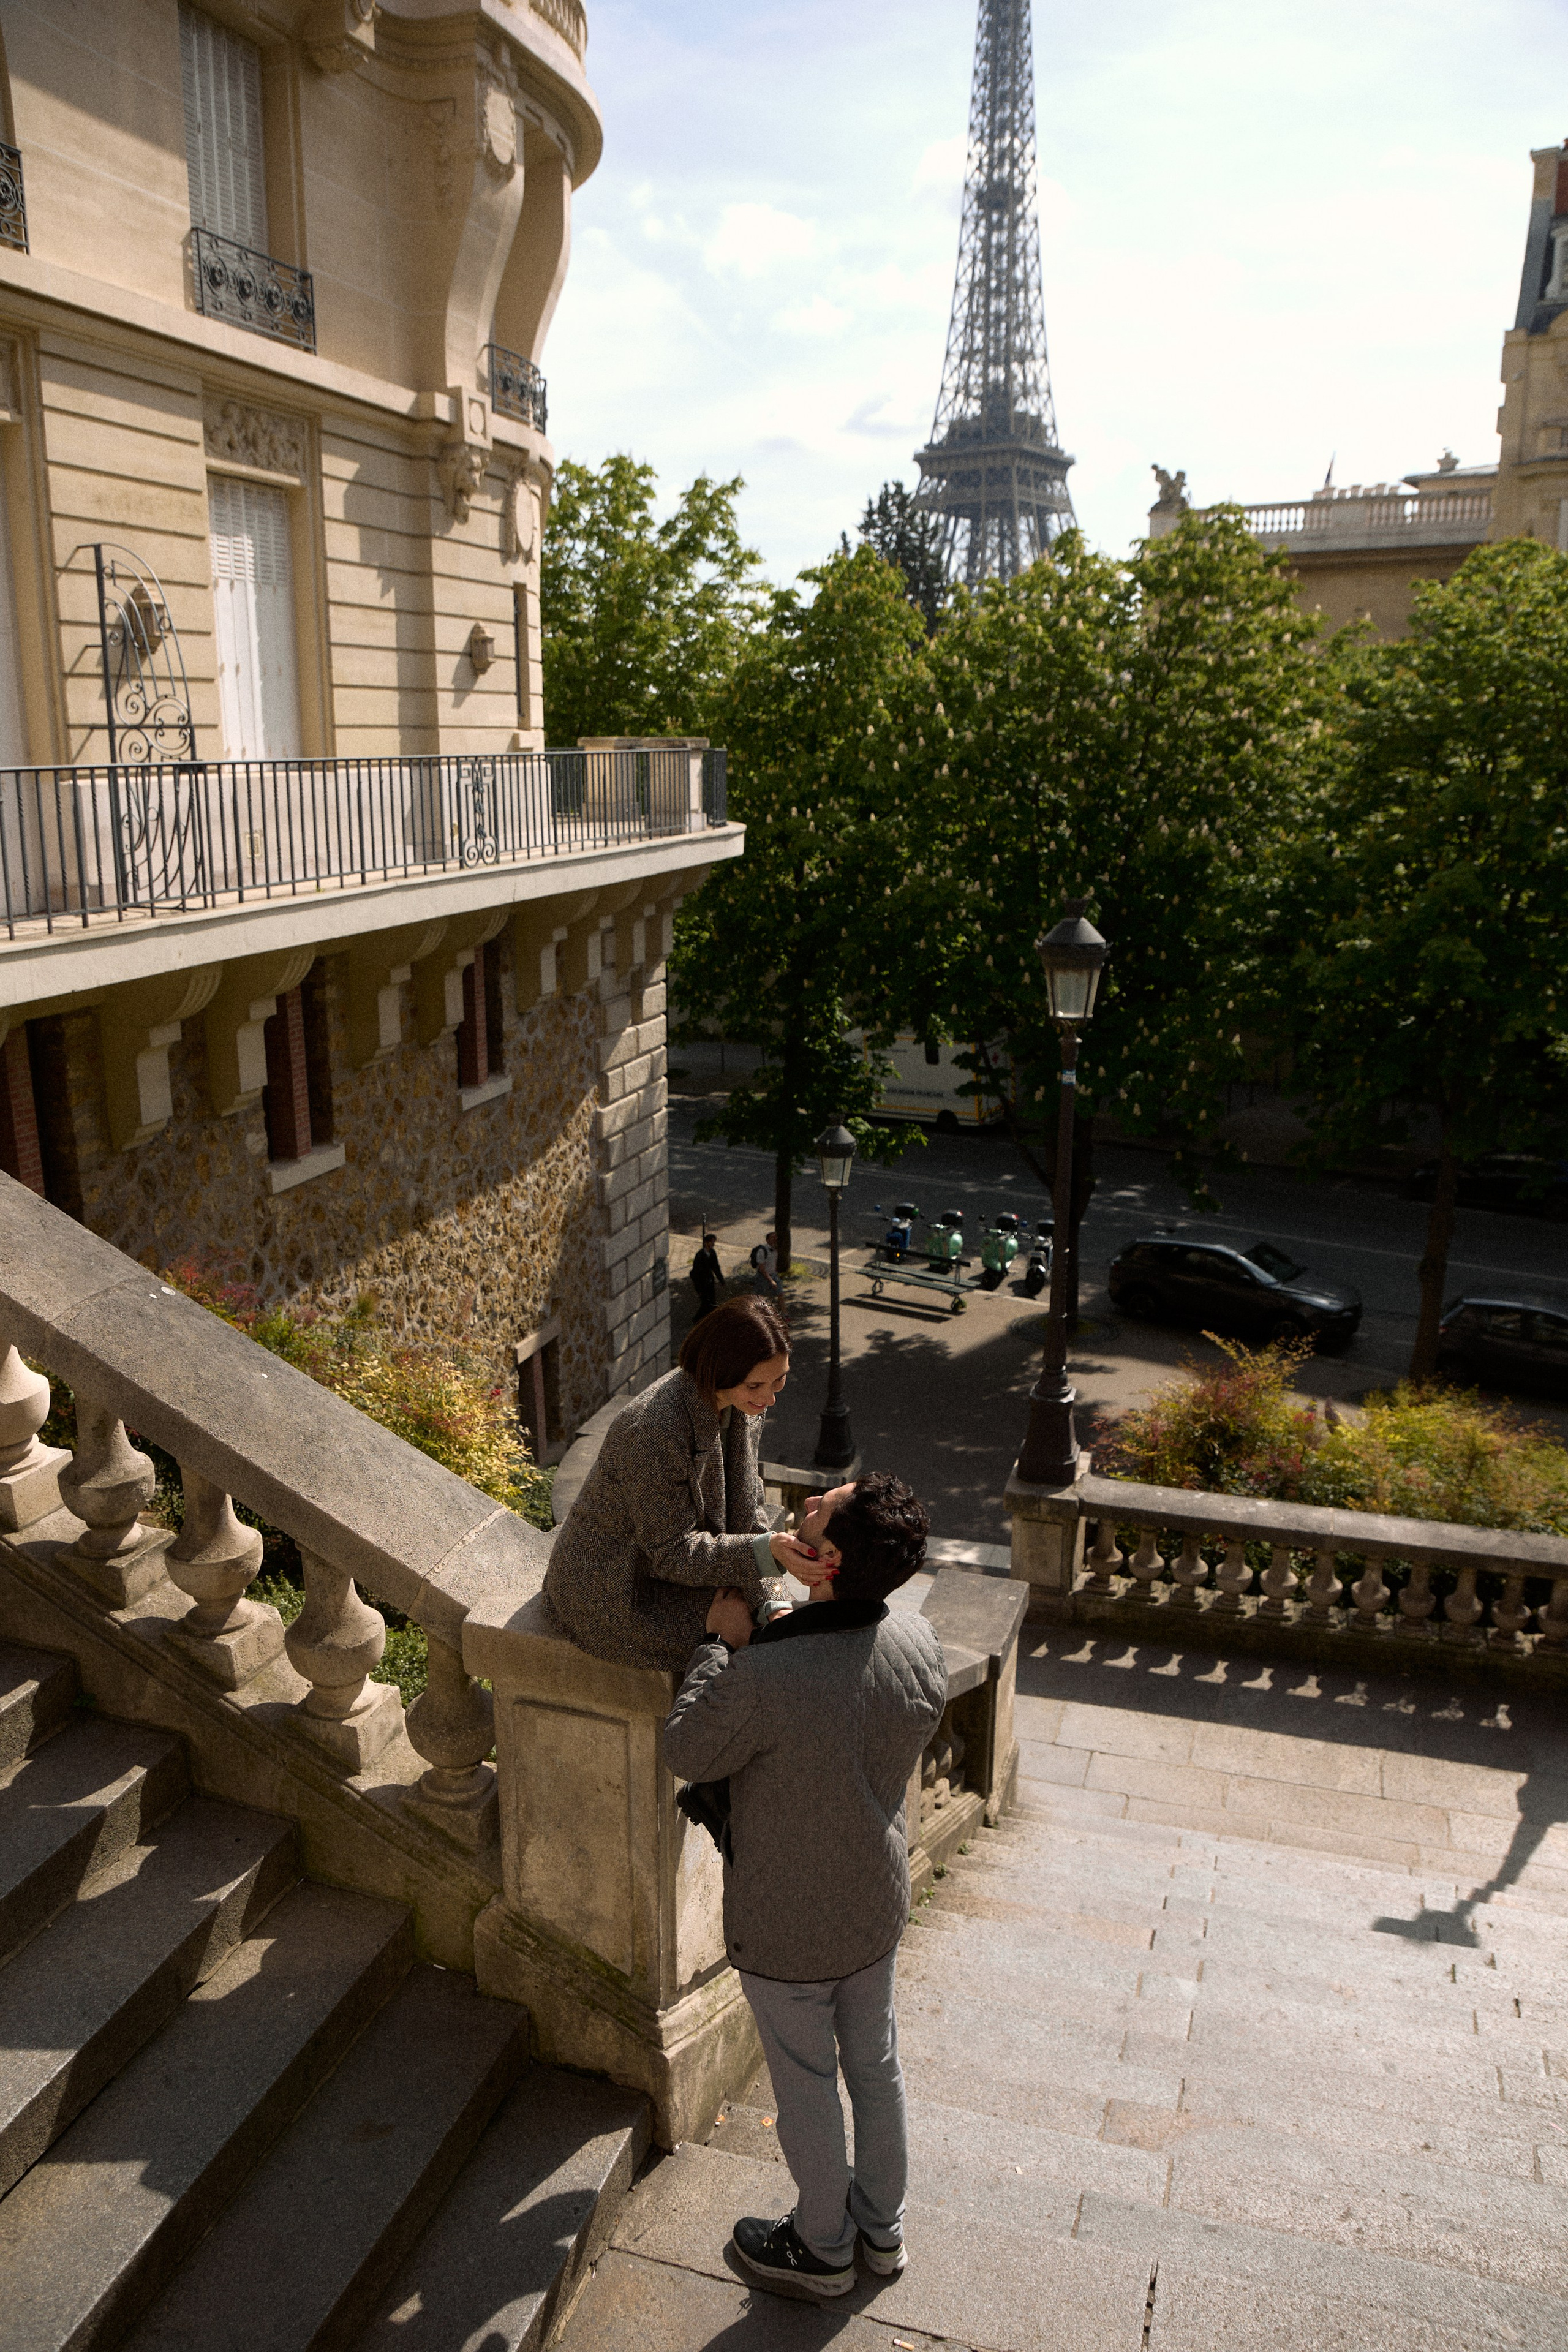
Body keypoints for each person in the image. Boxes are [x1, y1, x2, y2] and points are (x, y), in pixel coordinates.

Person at [664, 1473, 946, 2301]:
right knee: (876, 2067)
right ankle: (882, 2234)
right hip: (874, 1904)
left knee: (807, 2084)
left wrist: (719, 1644)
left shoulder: (764, 1677)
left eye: (824, 1505)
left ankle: (821, 2247)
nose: (816, 1494)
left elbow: (689, 1749)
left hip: (788, 1926)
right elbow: (855, 1706)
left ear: (824, 1559)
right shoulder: (917, 1640)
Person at [544, 1295, 816, 1671]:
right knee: (754, 1641)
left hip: (673, 1565)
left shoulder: (744, 1404)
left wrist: (776, 1602)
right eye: (756, 1385)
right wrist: (766, 1556)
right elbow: (671, 1551)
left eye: (780, 1380)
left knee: (780, 1626)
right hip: (613, 1587)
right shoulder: (655, 1428)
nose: (769, 1398)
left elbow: (748, 1515)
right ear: (719, 1371)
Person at [690, 1232, 724, 1321]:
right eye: (711, 1242)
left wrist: (721, 1279)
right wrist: (698, 1288)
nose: (713, 1244)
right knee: (706, 1303)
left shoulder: (713, 1253)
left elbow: (716, 1267)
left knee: (711, 1302)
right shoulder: (700, 1255)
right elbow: (696, 1273)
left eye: (713, 1242)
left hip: (710, 1281)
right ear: (706, 1243)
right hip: (702, 1283)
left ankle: (710, 1319)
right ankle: (698, 1319)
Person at [750, 1230, 780, 1298]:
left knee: (780, 1294)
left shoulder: (776, 1250)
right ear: (768, 1240)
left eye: (776, 1238)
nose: (775, 1240)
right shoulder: (762, 1251)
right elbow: (762, 1268)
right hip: (763, 1277)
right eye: (773, 1238)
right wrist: (771, 1281)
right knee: (760, 1297)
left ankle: (783, 1309)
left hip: (774, 1275)